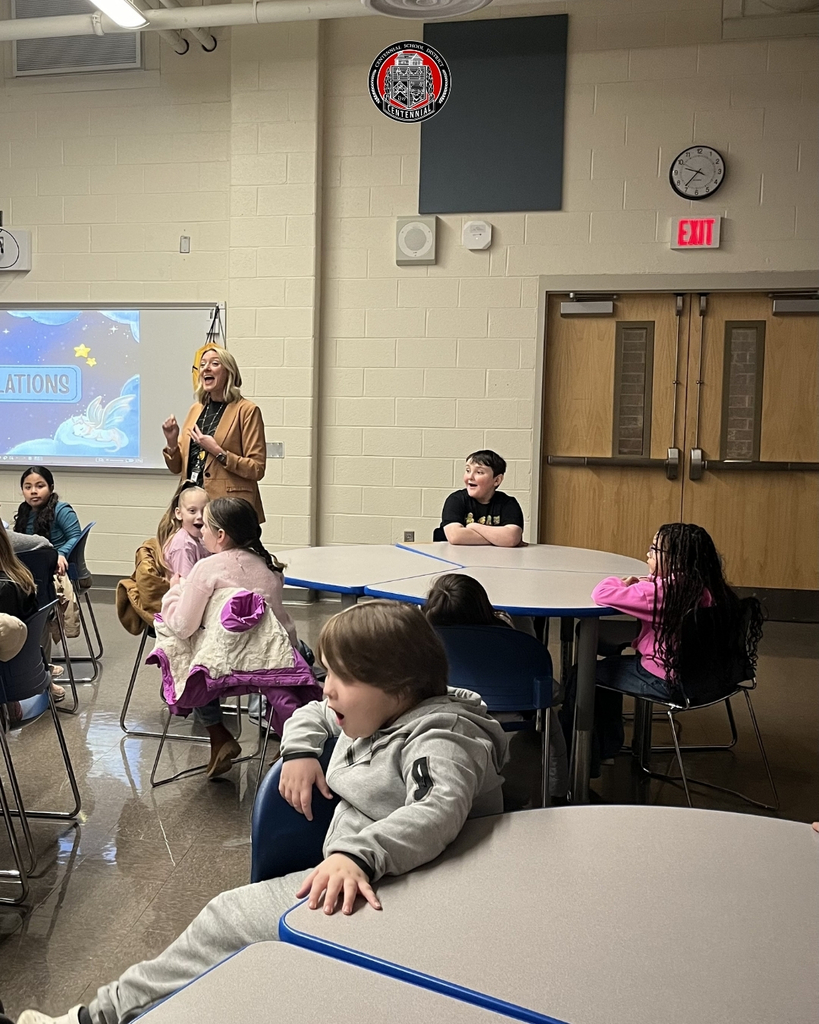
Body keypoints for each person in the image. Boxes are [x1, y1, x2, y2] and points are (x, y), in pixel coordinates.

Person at [16, 601, 509, 1024]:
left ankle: (96, 1018)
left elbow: (436, 809)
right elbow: (313, 711)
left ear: (400, 688)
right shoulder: (380, 711)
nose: (329, 688)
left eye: (345, 677)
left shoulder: (441, 740)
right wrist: (298, 751)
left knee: (223, 919)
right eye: (329, 673)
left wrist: (358, 855)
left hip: (403, 894)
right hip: (370, 882)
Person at [560, 522, 763, 772]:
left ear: (676, 561)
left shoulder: (660, 593)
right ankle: (605, 746)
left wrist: (623, 583)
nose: (648, 554)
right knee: (609, 663)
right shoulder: (711, 588)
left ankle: (576, 762)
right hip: (713, 678)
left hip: (668, 680)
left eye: (654, 550)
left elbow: (601, 593)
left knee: (585, 673)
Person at [158, 496, 300, 779]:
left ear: (221, 536)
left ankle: (218, 733)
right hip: (271, 667)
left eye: (206, 527)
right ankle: (292, 738)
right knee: (300, 655)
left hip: (223, 669)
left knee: (187, 652)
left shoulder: (207, 568)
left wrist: (174, 593)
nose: (201, 532)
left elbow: (183, 625)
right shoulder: (266, 566)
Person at [424, 573, 568, 800]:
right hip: (512, 711)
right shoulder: (512, 638)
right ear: (484, 605)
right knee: (550, 711)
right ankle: (558, 792)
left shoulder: (426, 642)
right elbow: (551, 691)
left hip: (448, 711)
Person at [160, 346, 267, 523]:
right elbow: (177, 468)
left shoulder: (247, 411)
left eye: (214, 364)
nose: (206, 368)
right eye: (202, 365)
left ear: (229, 372)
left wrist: (219, 453)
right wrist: (171, 443)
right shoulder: (196, 410)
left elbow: (257, 468)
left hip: (229, 510)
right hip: (194, 509)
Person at [438, 450, 523, 547]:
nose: (470, 476)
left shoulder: (508, 503)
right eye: (468, 470)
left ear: (497, 480)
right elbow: (455, 536)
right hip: (457, 558)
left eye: (479, 472)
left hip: (496, 559)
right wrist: (498, 539)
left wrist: (473, 526)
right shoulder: (456, 500)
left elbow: (511, 538)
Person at [12, 467, 81, 578]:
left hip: (56, 567)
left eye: (40, 486)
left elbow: (76, 537)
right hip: (31, 564)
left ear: (51, 488)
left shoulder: (62, 510)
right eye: (28, 487)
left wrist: (61, 553)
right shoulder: (24, 509)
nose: (33, 491)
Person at [157, 482, 209, 580]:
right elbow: (185, 586)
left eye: (204, 510)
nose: (200, 516)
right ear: (179, 513)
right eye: (192, 511)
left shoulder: (201, 539)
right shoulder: (182, 546)